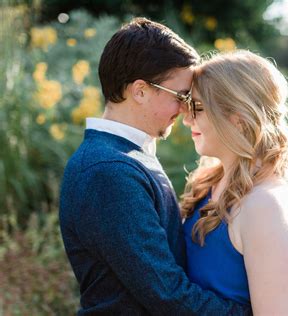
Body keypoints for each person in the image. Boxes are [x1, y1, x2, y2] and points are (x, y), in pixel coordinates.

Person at [59, 18, 251, 315]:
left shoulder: (127, 156)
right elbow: (166, 293)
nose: (187, 109)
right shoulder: (108, 170)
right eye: (181, 96)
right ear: (140, 91)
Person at [181, 50, 288, 315]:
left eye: (197, 107)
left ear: (238, 117)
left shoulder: (266, 205)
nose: (187, 119)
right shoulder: (211, 182)